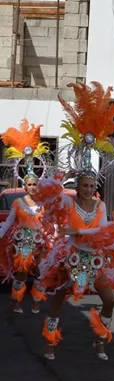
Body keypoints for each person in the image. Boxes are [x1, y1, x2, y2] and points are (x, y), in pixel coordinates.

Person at [37, 81, 114, 361]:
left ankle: (100, 341)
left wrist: (77, 230)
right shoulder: (68, 201)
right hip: (72, 258)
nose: (89, 189)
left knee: (109, 300)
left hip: (94, 259)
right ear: (77, 186)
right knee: (59, 298)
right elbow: (53, 202)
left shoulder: (100, 206)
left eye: (92, 186)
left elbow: (100, 231)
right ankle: (50, 341)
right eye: (84, 185)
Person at [0, 119, 50, 314]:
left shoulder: (44, 204)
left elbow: (50, 223)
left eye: (34, 184)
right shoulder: (18, 203)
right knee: (21, 274)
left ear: (38, 186)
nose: (32, 187)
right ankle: (17, 302)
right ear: (25, 186)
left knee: (41, 272)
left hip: (40, 242)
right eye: (29, 185)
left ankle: (37, 300)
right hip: (22, 243)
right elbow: (9, 223)